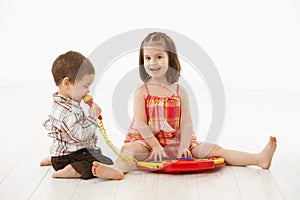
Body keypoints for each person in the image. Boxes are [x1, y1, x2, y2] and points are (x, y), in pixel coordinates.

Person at [92, 32, 277, 178]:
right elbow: (141, 124)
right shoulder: (142, 91)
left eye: (158, 57)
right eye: (147, 58)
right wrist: (156, 146)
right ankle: (117, 169)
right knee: (129, 151)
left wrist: (183, 146)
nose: (152, 62)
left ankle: (258, 159)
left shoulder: (180, 91)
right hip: (148, 141)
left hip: (177, 140)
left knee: (215, 150)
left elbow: (187, 123)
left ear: (170, 59)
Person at [40, 51, 123, 180]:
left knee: (98, 152)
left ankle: (54, 159)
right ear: (67, 83)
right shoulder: (67, 112)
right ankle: (72, 170)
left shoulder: (65, 104)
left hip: (64, 155)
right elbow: (80, 135)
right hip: (69, 158)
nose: (87, 92)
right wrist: (93, 117)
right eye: (85, 86)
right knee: (103, 161)